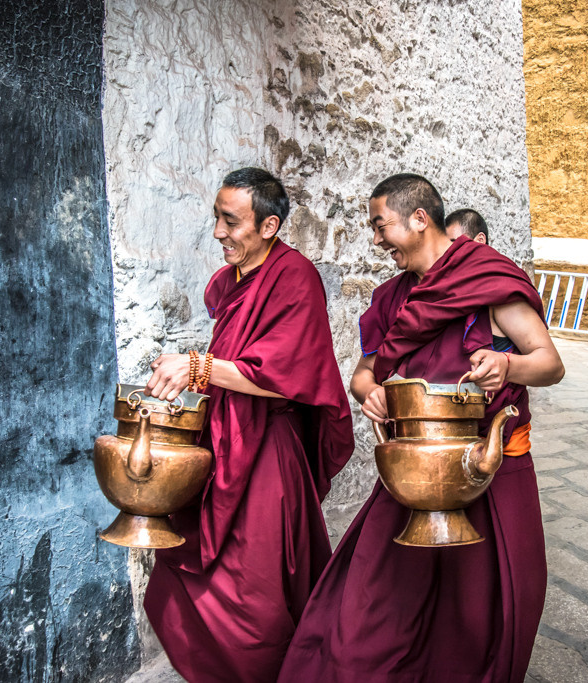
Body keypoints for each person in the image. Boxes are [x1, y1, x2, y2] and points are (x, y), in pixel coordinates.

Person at [279, 173, 564, 682]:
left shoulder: (488, 281)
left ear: (418, 219)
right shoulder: (392, 298)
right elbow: (365, 372)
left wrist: (508, 367)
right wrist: (370, 393)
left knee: (482, 613)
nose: (375, 239)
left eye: (379, 225)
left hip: (488, 468)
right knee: (371, 600)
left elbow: (549, 363)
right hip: (414, 469)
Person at [142, 167, 354, 682]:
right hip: (223, 439)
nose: (218, 232)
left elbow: (283, 377)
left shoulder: (293, 278)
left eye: (231, 221)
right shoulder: (234, 281)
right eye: (216, 217)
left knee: (254, 593)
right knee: (180, 577)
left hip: (266, 455)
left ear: (269, 226)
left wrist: (196, 366)